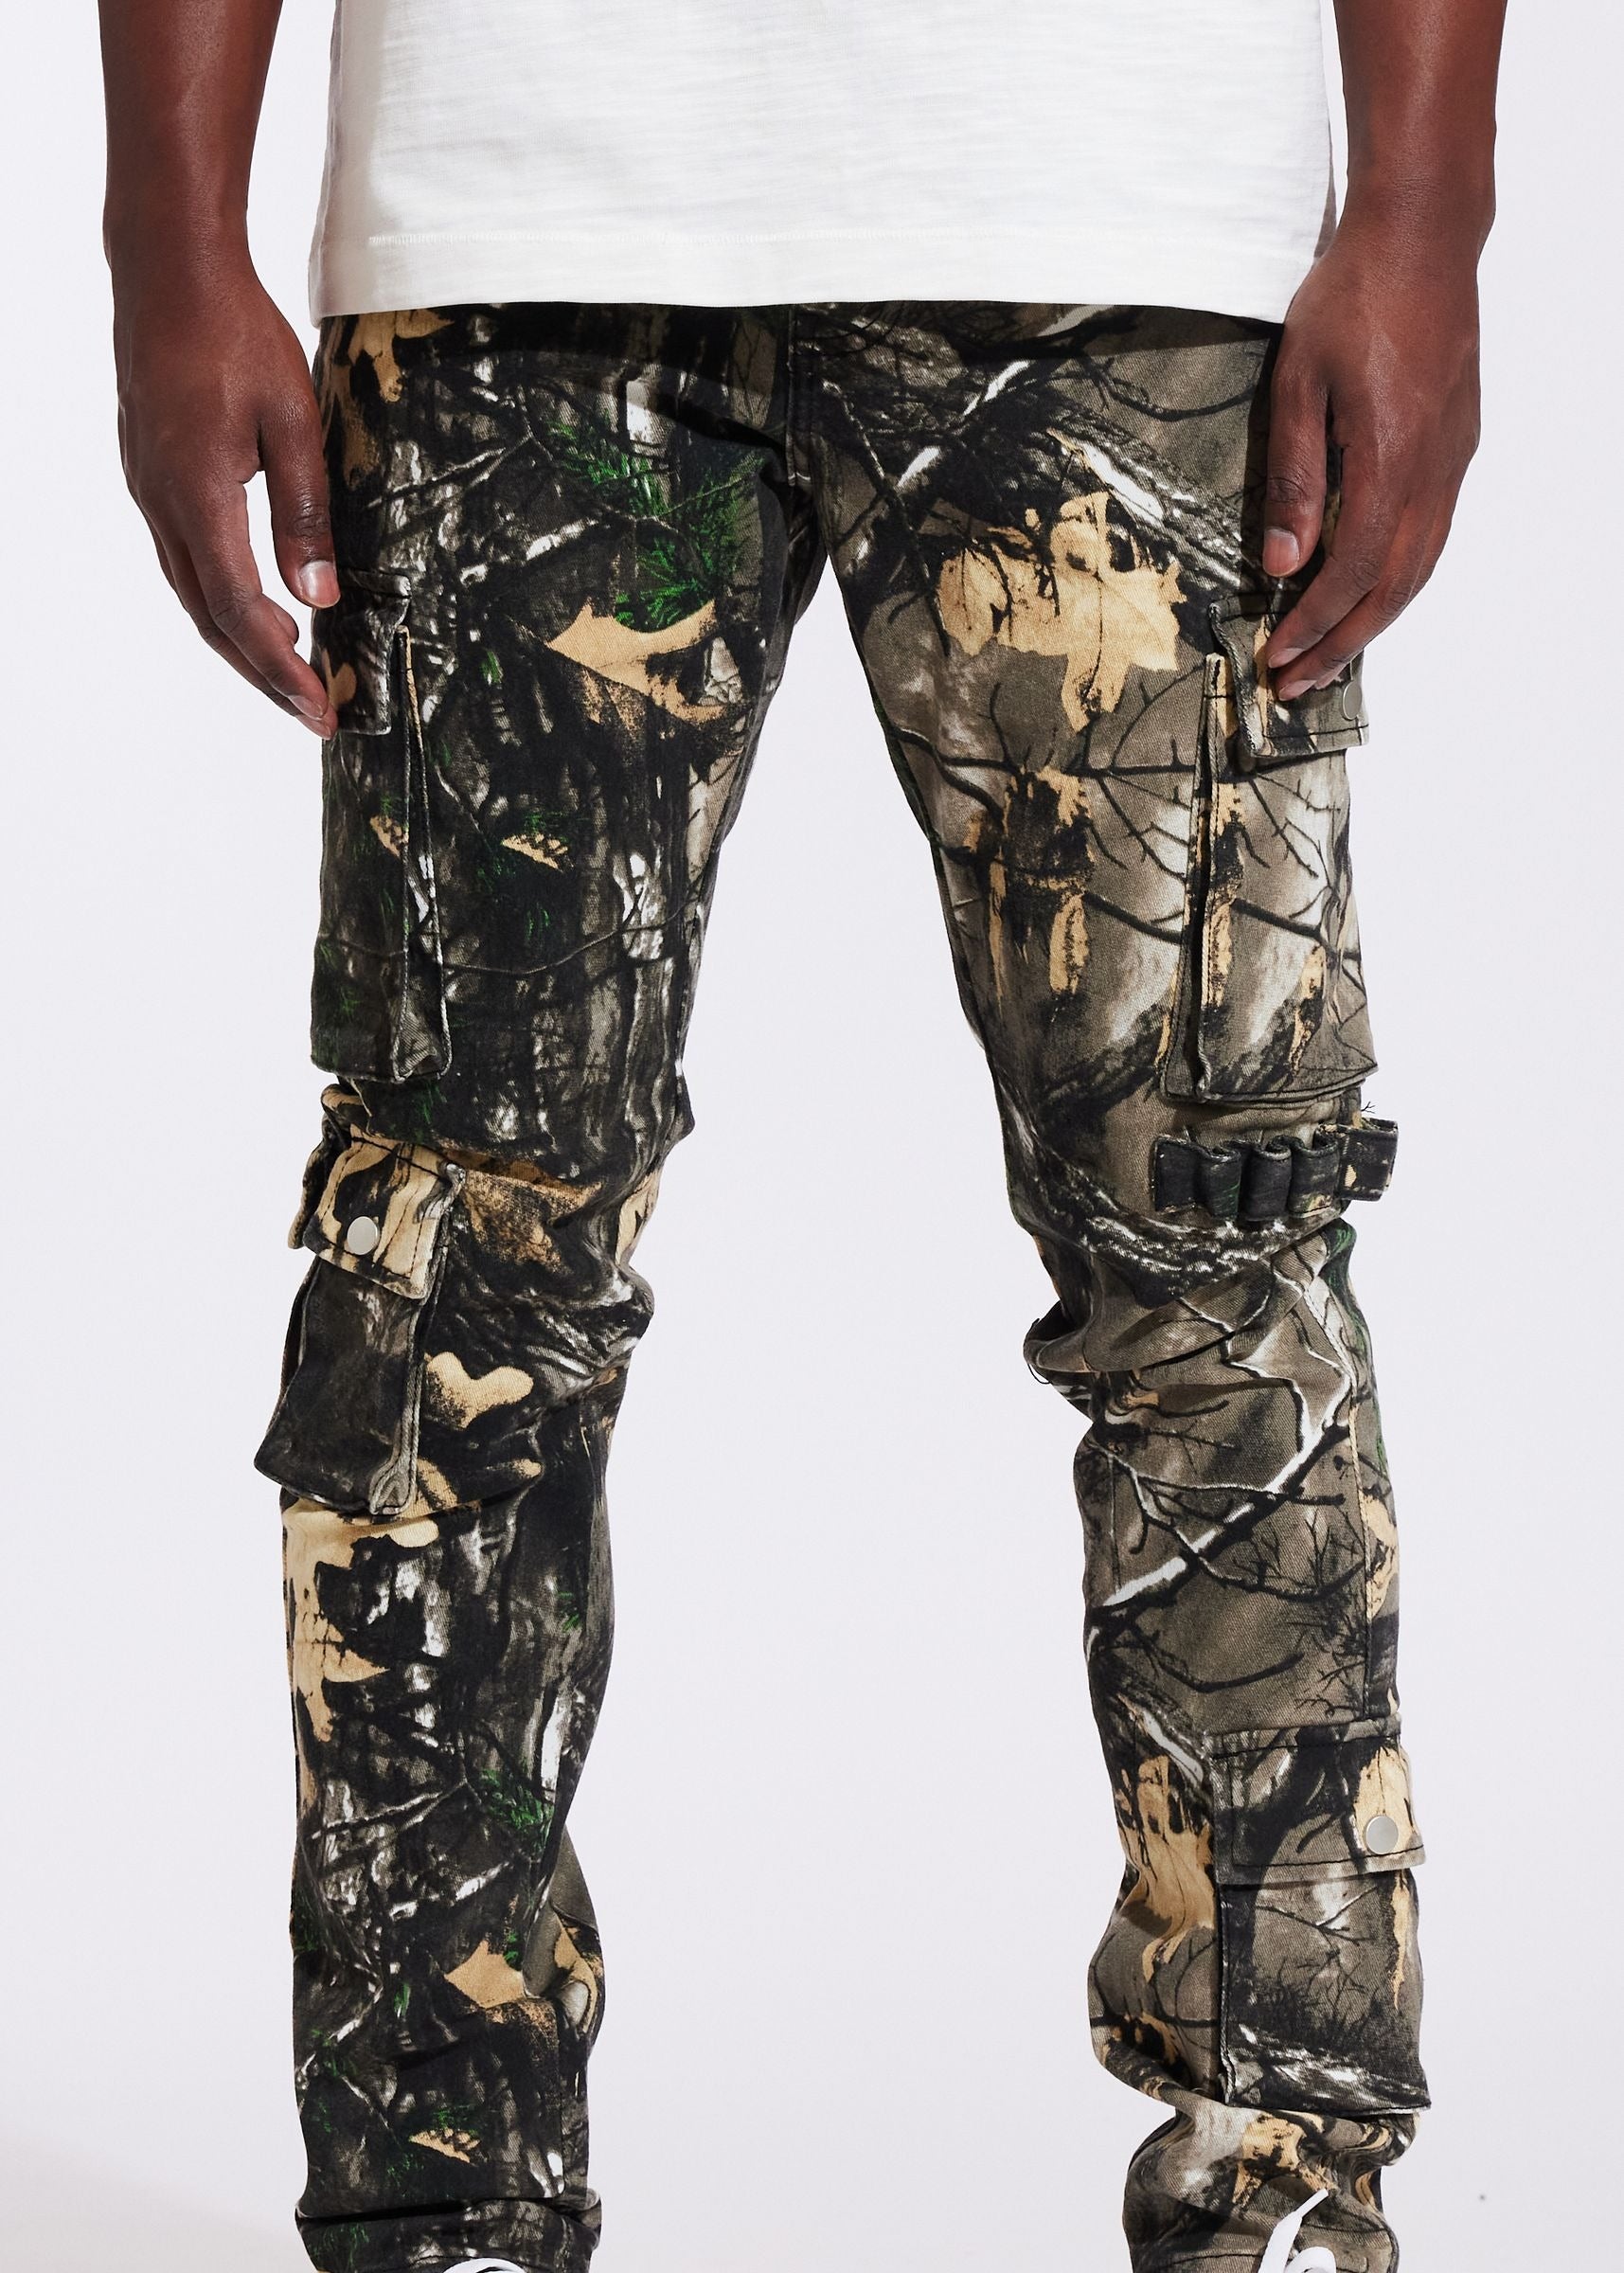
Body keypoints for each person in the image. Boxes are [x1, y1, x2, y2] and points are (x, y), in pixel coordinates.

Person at [98, 4, 1505, 2268]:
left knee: (1216, 1257)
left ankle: (1284, 2200)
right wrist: (170, 246)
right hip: (515, 235)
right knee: (458, 1282)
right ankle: (441, 2219)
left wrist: (1426, 213)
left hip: (1124, 226)